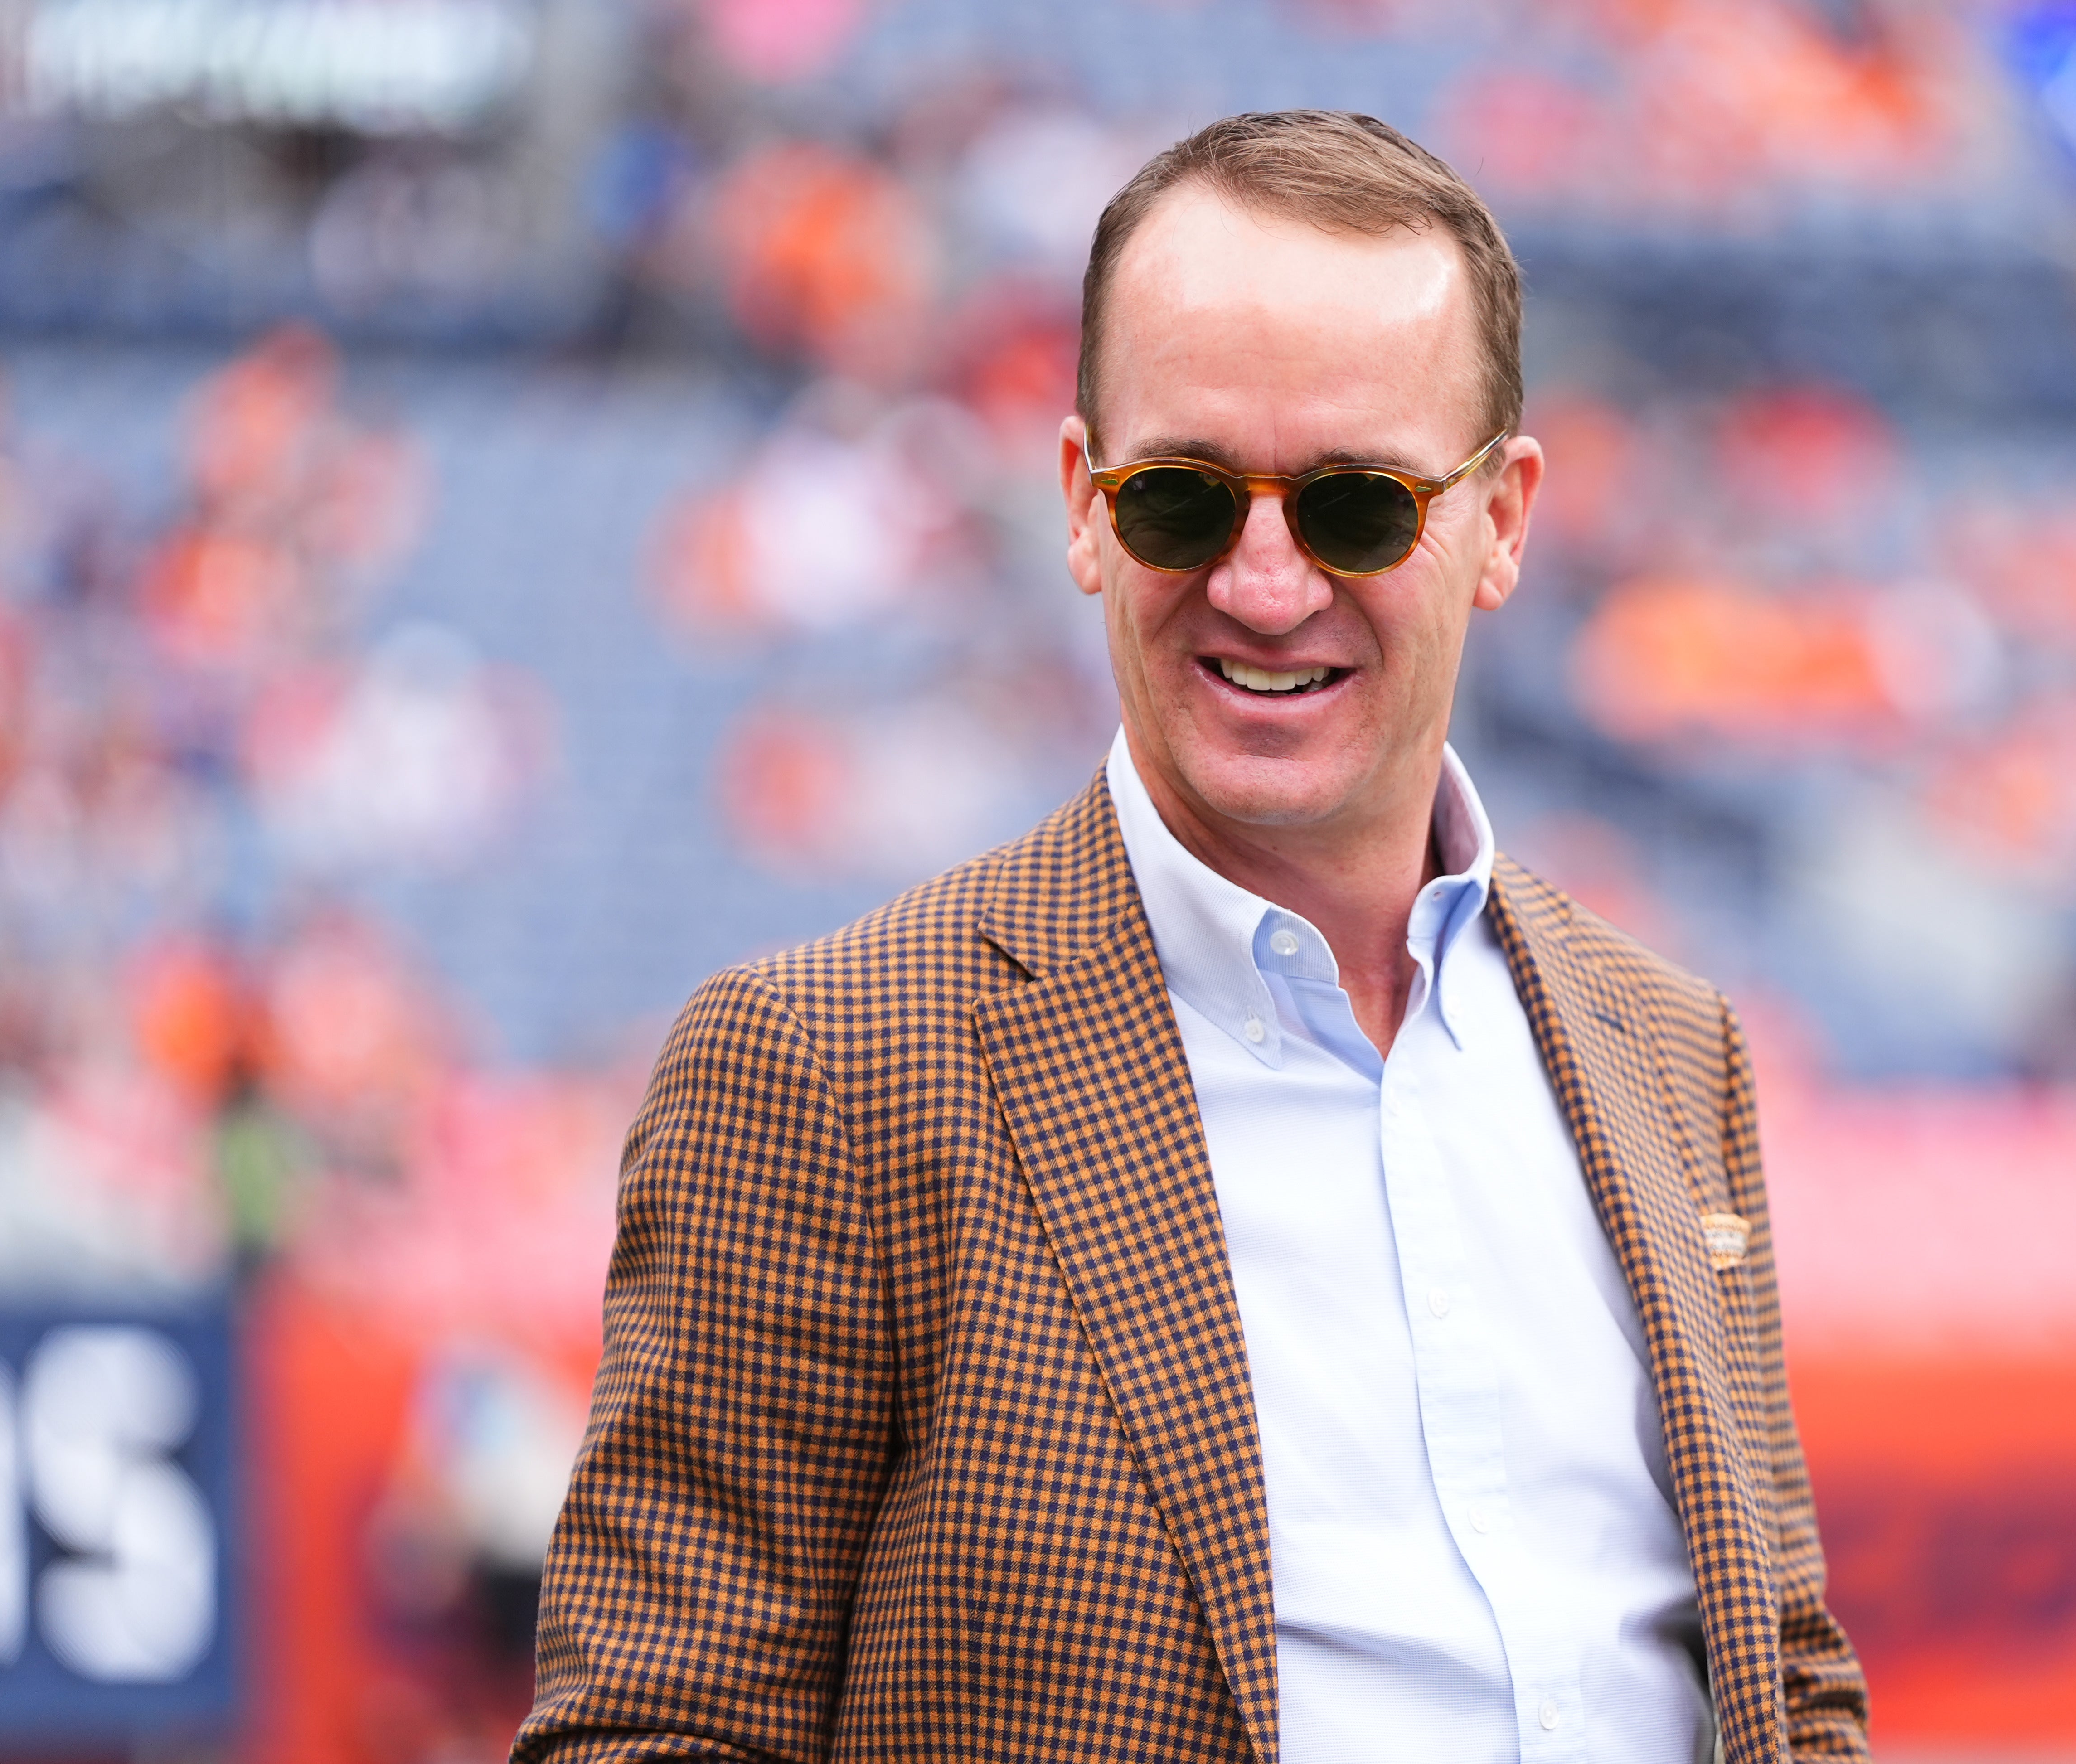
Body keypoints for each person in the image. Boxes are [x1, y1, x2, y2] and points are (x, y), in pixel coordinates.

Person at [514, 110, 1868, 1764]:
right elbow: (662, 1732)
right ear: (1083, 505)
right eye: (1182, 498)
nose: (1267, 580)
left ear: (1503, 522)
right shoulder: (822, 1069)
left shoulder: (1669, 1045)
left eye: (1361, 505)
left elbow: (1777, 1669)